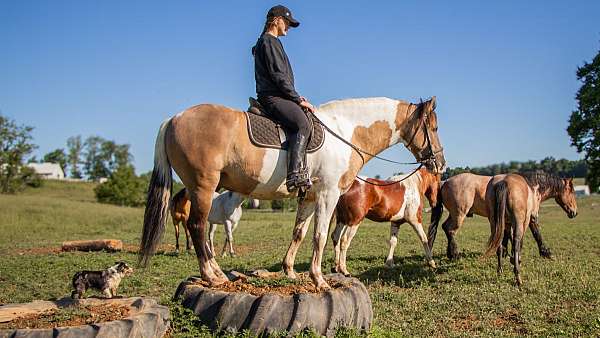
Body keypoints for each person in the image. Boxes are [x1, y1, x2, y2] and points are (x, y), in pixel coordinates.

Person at [253, 5, 316, 193]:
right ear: (277, 20)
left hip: (278, 95)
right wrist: (296, 99)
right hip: (273, 97)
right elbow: (279, 76)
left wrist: (296, 95)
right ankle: (294, 174)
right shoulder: (269, 41)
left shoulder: (268, 42)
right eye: (287, 22)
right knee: (303, 124)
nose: (288, 26)